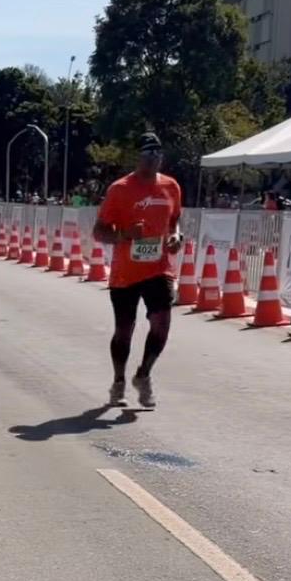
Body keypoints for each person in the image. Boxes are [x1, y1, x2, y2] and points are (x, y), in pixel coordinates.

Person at [92, 132, 182, 409]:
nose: (154, 158)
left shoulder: (171, 187)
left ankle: (144, 375)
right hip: (125, 273)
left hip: (159, 269)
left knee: (162, 324)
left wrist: (177, 236)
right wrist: (125, 235)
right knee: (124, 330)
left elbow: (175, 219)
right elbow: (99, 231)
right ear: (138, 157)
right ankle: (119, 381)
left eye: (158, 153)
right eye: (148, 153)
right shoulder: (120, 189)